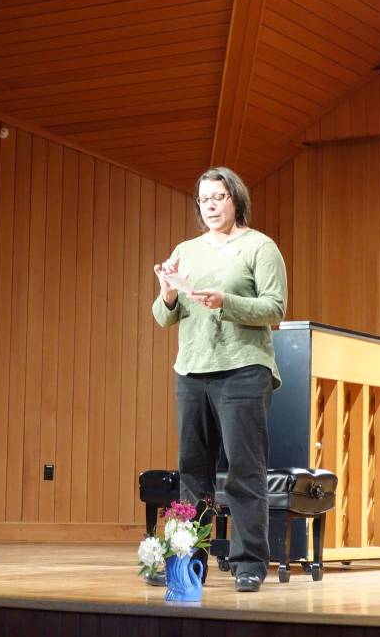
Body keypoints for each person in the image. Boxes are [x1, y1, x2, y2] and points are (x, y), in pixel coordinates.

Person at [151, 166, 287, 593]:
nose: (210, 205)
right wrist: (169, 292)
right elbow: (161, 317)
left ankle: (249, 562)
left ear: (236, 201)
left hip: (243, 370)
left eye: (219, 197)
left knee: (245, 471)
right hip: (192, 371)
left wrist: (225, 301)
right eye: (204, 199)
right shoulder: (186, 249)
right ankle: (188, 563)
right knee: (192, 471)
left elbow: (274, 309)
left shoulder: (259, 247)